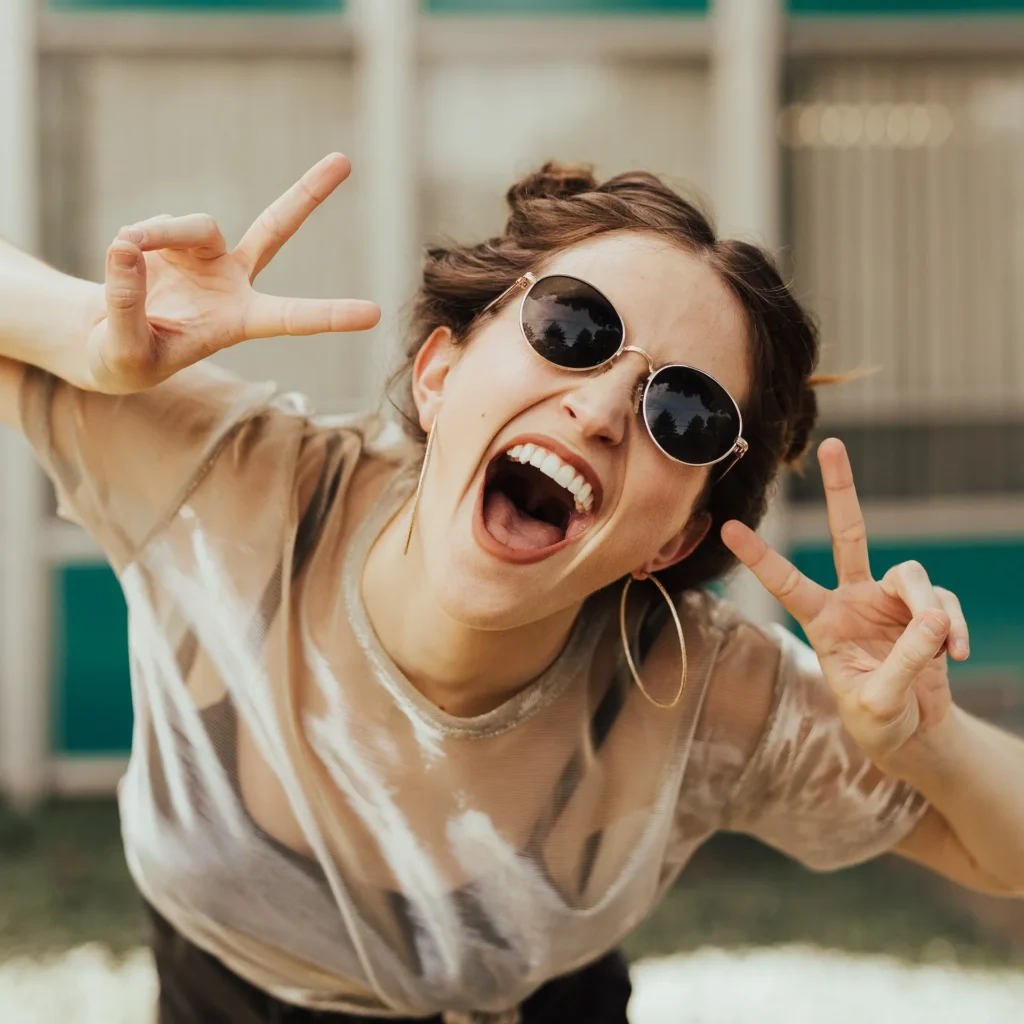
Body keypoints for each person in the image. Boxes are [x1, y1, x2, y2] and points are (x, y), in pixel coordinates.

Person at [1, 154, 1022, 1024]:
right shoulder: (231, 480)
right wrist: (85, 333)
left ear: (673, 538)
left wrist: (925, 741)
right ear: (441, 372)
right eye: (573, 328)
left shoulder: (699, 689)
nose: (600, 410)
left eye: (685, 412)